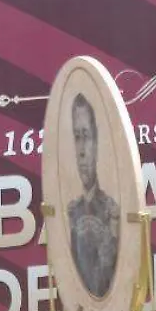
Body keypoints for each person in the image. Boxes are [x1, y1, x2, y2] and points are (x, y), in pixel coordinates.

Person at [64, 92, 118, 295]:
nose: (82, 151)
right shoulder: (72, 212)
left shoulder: (111, 209)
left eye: (86, 137)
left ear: (97, 144)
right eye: (77, 137)